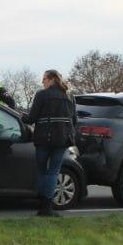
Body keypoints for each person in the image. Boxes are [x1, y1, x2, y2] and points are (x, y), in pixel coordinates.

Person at [22, 69, 77, 217]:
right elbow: (75, 120)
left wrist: (20, 116)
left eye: (44, 79)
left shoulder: (41, 95)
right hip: (62, 140)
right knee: (54, 172)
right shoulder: (69, 96)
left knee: (42, 171)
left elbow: (31, 118)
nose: (42, 81)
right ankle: (47, 207)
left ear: (52, 79)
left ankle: (41, 205)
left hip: (43, 139)